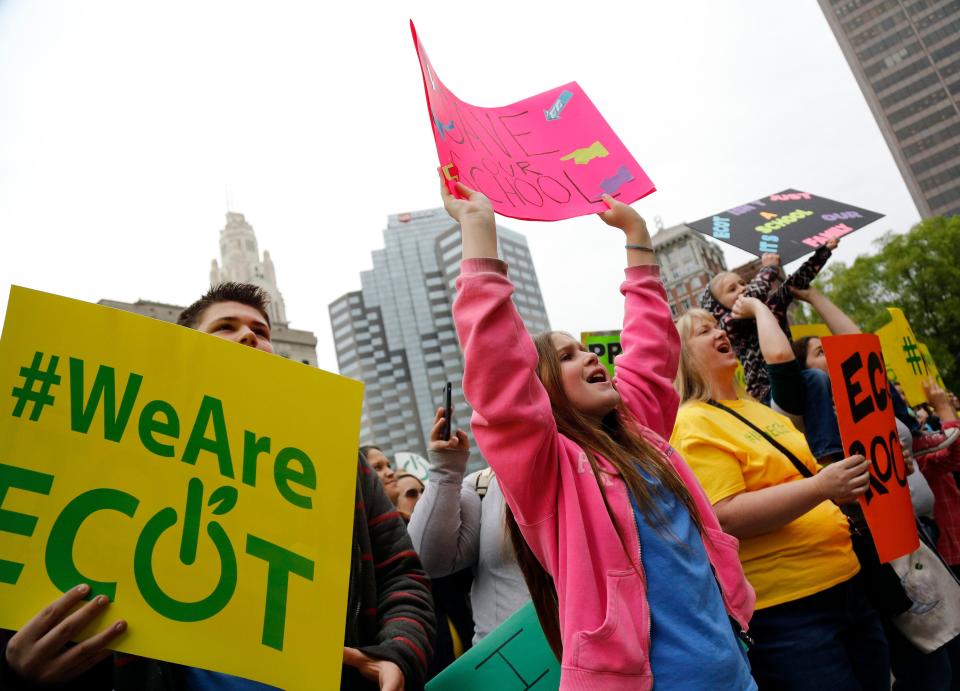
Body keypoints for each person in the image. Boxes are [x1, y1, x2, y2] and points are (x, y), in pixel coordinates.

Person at [0, 282, 436, 691]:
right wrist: (19, 668)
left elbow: (401, 574)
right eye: (225, 327)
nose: (248, 335)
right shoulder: (115, 454)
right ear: (184, 350)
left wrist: (399, 652)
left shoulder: (340, 462)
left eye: (261, 330)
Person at [444, 178, 756, 690]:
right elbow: (500, 375)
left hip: (736, 673)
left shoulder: (641, 437)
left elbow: (651, 352)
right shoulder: (549, 471)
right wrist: (478, 230)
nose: (591, 355)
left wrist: (636, 237)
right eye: (566, 356)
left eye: (584, 349)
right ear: (540, 392)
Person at [671, 303, 890, 690]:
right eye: (703, 332)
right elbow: (725, 515)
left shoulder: (757, 409)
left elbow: (805, 478)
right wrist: (822, 487)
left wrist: (860, 472)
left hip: (848, 584)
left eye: (717, 326)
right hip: (791, 612)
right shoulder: (691, 423)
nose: (720, 333)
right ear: (682, 355)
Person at [407, 407, 530, 644]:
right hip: (513, 668)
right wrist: (445, 469)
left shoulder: (608, 467)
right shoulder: (481, 485)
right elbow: (427, 560)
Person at [700, 239, 835, 405]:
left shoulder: (772, 307)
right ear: (718, 307)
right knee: (815, 377)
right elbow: (752, 297)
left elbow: (794, 283)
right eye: (732, 289)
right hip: (766, 392)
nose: (743, 288)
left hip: (795, 378)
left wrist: (823, 252)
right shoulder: (728, 323)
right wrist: (770, 268)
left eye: (743, 283)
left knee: (817, 379)